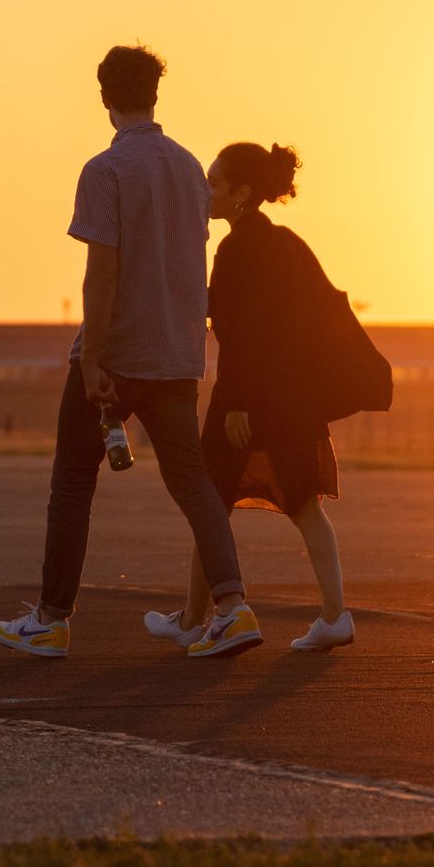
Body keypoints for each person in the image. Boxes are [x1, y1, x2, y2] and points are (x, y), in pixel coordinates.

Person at [0, 44, 259, 661]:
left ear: (106, 97)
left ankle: (52, 618)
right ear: (155, 95)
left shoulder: (104, 171)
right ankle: (233, 609)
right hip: (175, 355)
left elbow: (102, 272)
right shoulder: (192, 170)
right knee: (192, 484)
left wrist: (93, 359)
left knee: (73, 484)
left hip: (116, 355)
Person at [144, 142, 387, 653]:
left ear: (241, 193)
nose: (205, 189)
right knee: (303, 506)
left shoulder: (237, 248)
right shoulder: (285, 242)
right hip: (293, 401)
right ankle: (333, 615)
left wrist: (236, 403)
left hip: (251, 403)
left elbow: (242, 333)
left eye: (213, 182)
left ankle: (194, 619)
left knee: (210, 505)